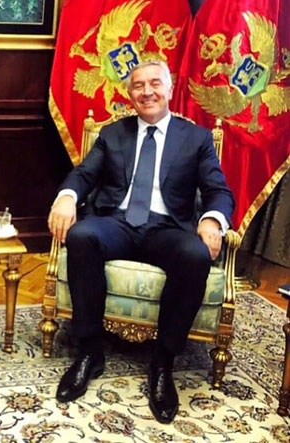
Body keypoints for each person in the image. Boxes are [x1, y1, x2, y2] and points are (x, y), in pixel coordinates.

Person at [48, 60, 234, 424]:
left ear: (169, 88)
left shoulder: (196, 138)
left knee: (195, 255)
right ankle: (89, 351)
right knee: (82, 235)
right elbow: (84, 174)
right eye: (138, 86)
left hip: (167, 228)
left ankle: (163, 362)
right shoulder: (112, 133)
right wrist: (67, 198)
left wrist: (212, 220)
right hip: (117, 222)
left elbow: (218, 190)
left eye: (155, 84)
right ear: (129, 94)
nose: (147, 92)